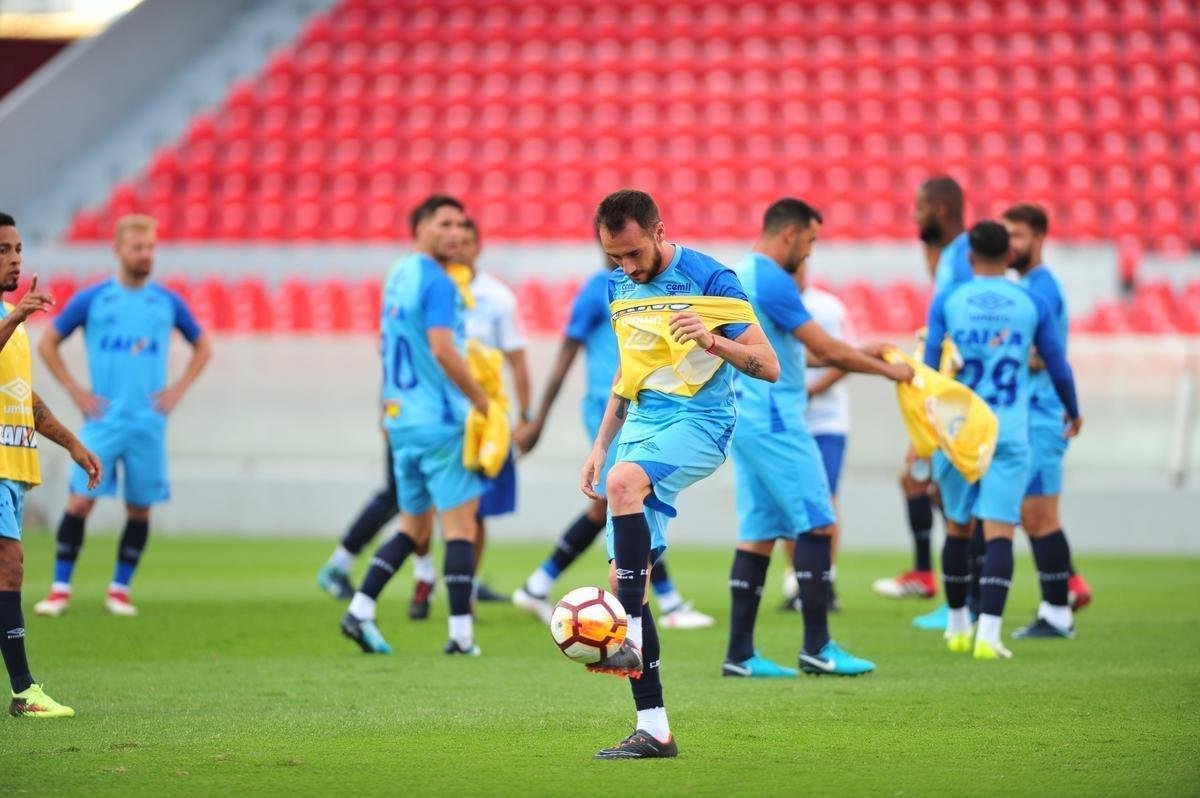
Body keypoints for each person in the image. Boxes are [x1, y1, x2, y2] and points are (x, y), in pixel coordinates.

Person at [578, 189, 780, 759]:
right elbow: (630, 367)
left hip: (702, 423)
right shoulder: (620, 284)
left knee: (622, 485)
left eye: (635, 254)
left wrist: (712, 338)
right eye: (614, 257)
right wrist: (600, 443)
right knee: (630, 577)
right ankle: (656, 729)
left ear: (660, 230)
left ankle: (628, 636)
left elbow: (768, 365)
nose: (626, 267)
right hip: (642, 425)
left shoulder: (712, 279)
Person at [724, 199, 913, 679]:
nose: (809, 253)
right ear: (789, 234)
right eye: (809, 242)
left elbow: (787, 355)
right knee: (817, 524)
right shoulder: (771, 277)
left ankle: (740, 655)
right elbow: (823, 348)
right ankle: (817, 647)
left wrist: (857, 353)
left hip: (746, 415)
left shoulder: (741, 272)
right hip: (776, 417)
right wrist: (889, 370)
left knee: (759, 534)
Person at [512, 261, 715, 630]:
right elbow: (565, 354)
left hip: (644, 406)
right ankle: (667, 602)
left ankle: (537, 584)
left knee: (616, 504)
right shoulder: (599, 289)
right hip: (613, 408)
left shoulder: (657, 288)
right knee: (629, 498)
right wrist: (539, 417)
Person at [34, 214, 211, 618]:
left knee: (140, 508)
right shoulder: (93, 299)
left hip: (148, 424)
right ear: (119, 250)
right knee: (80, 502)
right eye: (138, 248)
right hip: (103, 423)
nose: (146, 255)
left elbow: (203, 345)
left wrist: (177, 390)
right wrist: (76, 391)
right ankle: (60, 588)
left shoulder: (166, 302)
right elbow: (48, 343)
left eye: (151, 247)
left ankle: (120, 589)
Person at [339, 195, 492, 656]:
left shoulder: (398, 273)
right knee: (461, 527)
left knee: (413, 528)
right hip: (439, 421)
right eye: (444, 223)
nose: (454, 232)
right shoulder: (439, 282)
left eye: (460, 224)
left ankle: (360, 610)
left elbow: (387, 342)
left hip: (400, 419)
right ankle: (462, 636)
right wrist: (481, 400)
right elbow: (444, 349)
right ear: (420, 226)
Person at [924, 220, 1081, 660]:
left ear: (970, 256)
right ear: (1008, 256)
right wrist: (1072, 407)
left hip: (959, 430)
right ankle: (989, 636)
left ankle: (957, 625)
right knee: (1000, 533)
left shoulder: (949, 300)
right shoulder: (1029, 301)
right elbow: (1056, 362)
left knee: (957, 528)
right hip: (1009, 430)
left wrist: (928, 423)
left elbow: (931, 367)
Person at [0, 212, 103, 717]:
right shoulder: (10, 322)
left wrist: (72, 444)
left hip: (14, 466)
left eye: (18, 248)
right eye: (3, 249)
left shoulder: (10, 324)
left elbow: (26, 401)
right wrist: (16, 318)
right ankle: (24, 691)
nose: (15, 258)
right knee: (10, 567)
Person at [405, 217, 529, 614]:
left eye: (466, 241)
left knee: (474, 509)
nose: (458, 247)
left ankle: (465, 591)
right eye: (451, 240)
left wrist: (524, 415)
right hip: (434, 413)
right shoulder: (428, 287)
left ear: (478, 247)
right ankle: (424, 575)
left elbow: (517, 360)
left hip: (478, 417)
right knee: (421, 510)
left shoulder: (497, 298)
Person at [1002, 203, 1092, 637]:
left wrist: (997, 350)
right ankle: (1061, 601)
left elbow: (1045, 356)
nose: (1009, 244)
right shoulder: (1029, 286)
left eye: (1016, 235)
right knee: (1033, 514)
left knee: (1039, 516)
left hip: (1041, 415)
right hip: (1031, 414)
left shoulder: (1042, 290)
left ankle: (1058, 611)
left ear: (1039, 238)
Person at [778, 264, 858, 612]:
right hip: (783, 422)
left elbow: (846, 357)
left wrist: (810, 392)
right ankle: (800, 579)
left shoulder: (826, 307)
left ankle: (825, 580)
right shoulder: (768, 304)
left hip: (825, 421)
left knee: (823, 498)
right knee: (788, 500)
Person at [315, 441, 400, 601]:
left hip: (427, 427)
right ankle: (340, 565)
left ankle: (426, 575)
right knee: (400, 496)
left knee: (408, 498)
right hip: (420, 427)